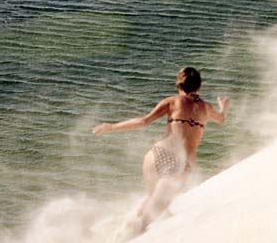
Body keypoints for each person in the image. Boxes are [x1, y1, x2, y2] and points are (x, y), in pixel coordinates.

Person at [93, 67, 229, 234]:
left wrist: (112, 126)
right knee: (152, 214)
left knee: (151, 198)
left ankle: (123, 229)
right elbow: (221, 119)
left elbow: (144, 121)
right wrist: (223, 107)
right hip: (180, 164)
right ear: (199, 87)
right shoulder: (207, 108)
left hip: (157, 154)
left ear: (179, 86)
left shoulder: (172, 101)